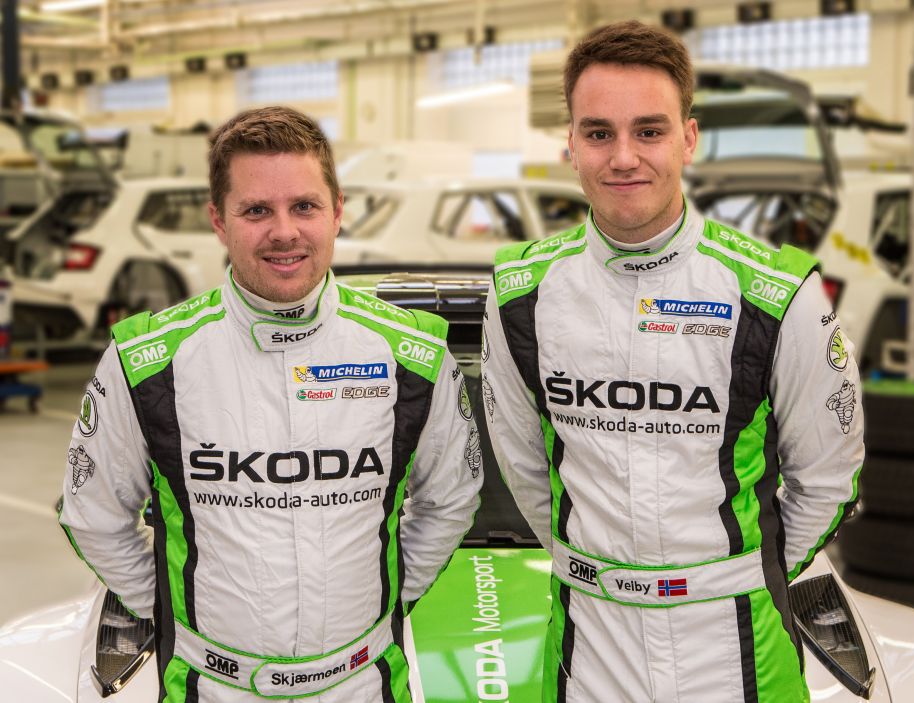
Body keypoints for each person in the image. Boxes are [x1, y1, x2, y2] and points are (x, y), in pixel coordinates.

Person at [482, 20, 864, 703]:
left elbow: (829, 478)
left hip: (738, 645)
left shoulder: (777, 292)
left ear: (689, 138)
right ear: (571, 144)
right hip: (588, 645)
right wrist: (603, 568)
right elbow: (524, 467)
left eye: (649, 131)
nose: (623, 156)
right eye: (599, 133)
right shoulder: (519, 291)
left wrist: (730, 573)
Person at [59, 106, 482, 703]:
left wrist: (389, 595)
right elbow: (94, 516)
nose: (284, 231)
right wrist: (170, 602)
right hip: (211, 687)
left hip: (362, 684)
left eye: (304, 206)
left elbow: (450, 500)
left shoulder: (412, 352)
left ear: (337, 211)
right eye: (257, 210)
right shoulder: (146, 359)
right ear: (219, 220)